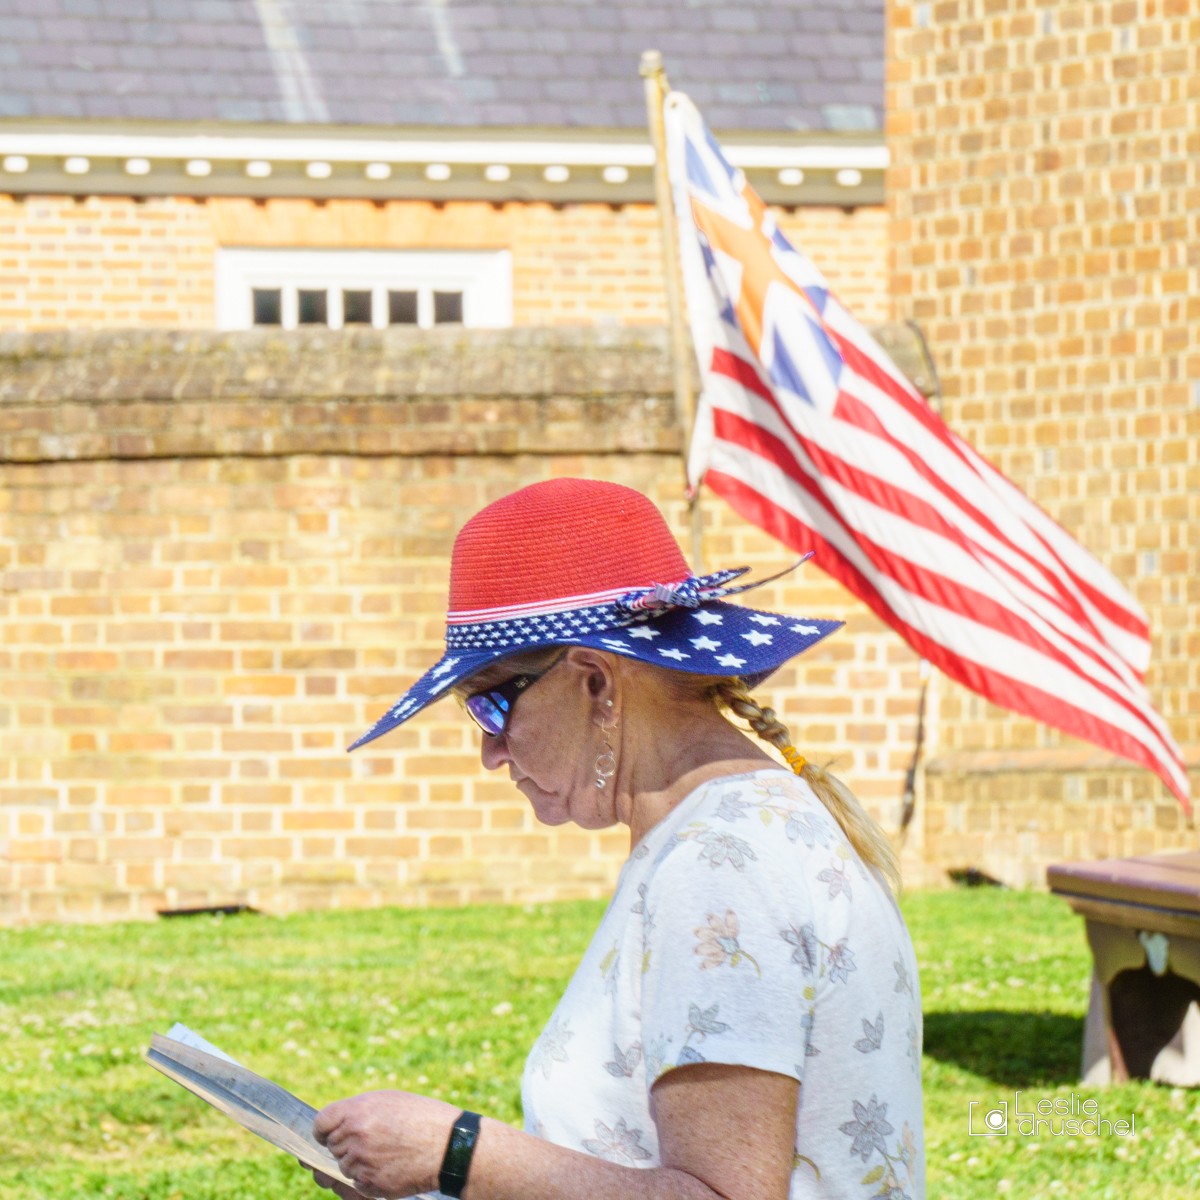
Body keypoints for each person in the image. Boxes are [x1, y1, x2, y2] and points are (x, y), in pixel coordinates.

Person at [308, 478, 925, 1200]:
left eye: (490, 704)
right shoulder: (727, 833)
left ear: (597, 683)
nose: (490, 751)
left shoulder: (719, 865)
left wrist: (460, 1155)